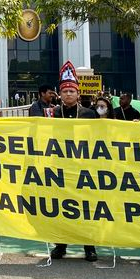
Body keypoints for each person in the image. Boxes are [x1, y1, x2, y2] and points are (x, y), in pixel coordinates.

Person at [50, 61, 98, 262]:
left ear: (78, 94)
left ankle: (90, 247)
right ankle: (61, 246)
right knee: (61, 208)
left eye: (72, 91)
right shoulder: (52, 114)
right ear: (60, 94)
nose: (68, 94)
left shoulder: (89, 114)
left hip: (83, 167)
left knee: (86, 208)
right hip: (60, 167)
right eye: (65, 91)